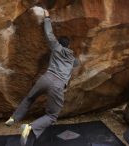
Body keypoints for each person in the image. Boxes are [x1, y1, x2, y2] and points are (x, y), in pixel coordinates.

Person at [5, 8, 79, 146]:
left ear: (60, 44)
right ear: (68, 46)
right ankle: (30, 127)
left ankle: (13, 118)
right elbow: (76, 63)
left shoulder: (56, 47)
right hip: (58, 85)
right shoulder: (72, 57)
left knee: (29, 98)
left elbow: (49, 34)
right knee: (52, 116)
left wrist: (47, 17)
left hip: (45, 78)